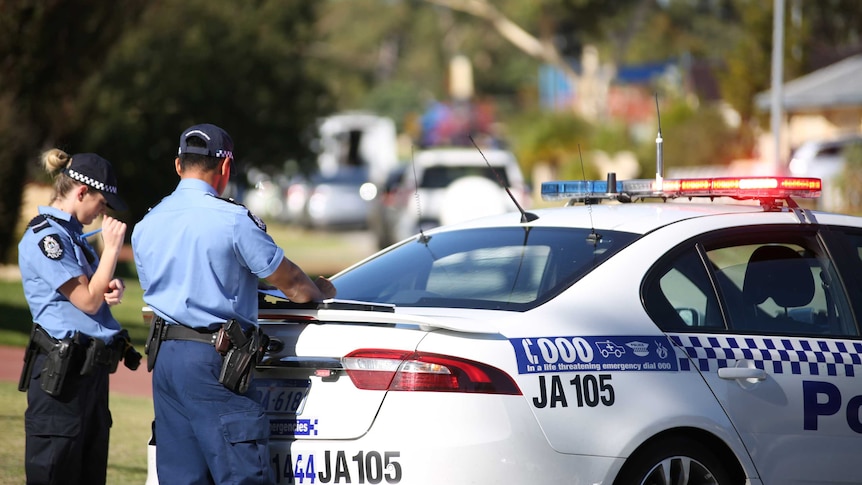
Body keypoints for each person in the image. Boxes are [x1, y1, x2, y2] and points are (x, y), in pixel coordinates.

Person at [131, 123, 336, 484]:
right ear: (225, 169)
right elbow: (290, 282)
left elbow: (158, 295)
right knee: (242, 472)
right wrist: (320, 293)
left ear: (178, 166)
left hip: (165, 357)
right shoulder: (232, 221)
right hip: (215, 360)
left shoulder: (147, 223)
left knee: (181, 476)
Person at [17, 149, 141, 485]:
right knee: (56, 472)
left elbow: (90, 292)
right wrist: (113, 249)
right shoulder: (48, 237)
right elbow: (86, 301)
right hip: (62, 378)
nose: (104, 210)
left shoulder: (72, 235)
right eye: (102, 202)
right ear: (82, 192)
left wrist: (108, 285)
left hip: (89, 374)